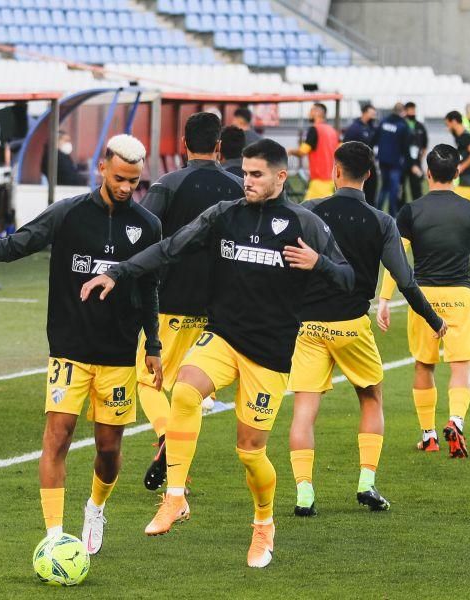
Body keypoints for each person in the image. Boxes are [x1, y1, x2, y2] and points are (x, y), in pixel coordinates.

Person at [80, 138, 354, 568]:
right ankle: (175, 498)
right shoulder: (225, 214)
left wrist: (318, 263)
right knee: (185, 390)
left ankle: (264, 524)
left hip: (270, 353)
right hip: (223, 335)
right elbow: (170, 247)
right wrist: (118, 272)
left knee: (250, 452)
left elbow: (348, 279)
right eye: (244, 172)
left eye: (257, 174)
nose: (247, 181)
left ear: (281, 177)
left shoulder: (306, 223)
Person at [0, 134, 163, 556]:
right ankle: (55, 535)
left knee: (109, 450)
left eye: (134, 180)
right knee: (57, 436)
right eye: (119, 178)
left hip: (117, 354)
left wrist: (153, 344)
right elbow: (13, 245)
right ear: (101, 168)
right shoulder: (68, 214)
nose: (127, 187)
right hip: (68, 349)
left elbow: (148, 288)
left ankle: (95, 507)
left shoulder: (147, 226)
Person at [288, 141, 445, 517]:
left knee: (304, 409)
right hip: (351, 326)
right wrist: (433, 319)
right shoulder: (381, 221)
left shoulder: (309, 211)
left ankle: (304, 492)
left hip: (308, 326)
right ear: (369, 175)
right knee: (371, 398)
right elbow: (405, 280)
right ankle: (366, 482)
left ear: (334, 171)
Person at [136, 112, 244, 491]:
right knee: (194, 389)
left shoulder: (168, 183)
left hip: (171, 298)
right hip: (219, 307)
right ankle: (177, 462)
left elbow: (142, 230)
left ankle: (166, 434)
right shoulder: (239, 185)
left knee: (147, 382)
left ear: (184, 144)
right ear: (218, 147)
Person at [379, 144, 470, 457]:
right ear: (458, 172)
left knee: (424, 365)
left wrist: (383, 299)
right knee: (460, 367)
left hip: (423, 297)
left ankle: (429, 436)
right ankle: (456, 420)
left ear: (428, 172)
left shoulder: (410, 210)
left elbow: (397, 257)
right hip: (460, 296)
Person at [288, 103, 339, 201]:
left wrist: (289, 151)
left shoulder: (315, 129)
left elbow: (302, 152)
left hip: (319, 180)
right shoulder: (332, 130)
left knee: (307, 211)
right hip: (331, 179)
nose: (309, 114)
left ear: (317, 112)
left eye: (311, 111)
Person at [374, 103, 409, 215]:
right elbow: (405, 146)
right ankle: (392, 214)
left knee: (384, 187)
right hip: (395, 162)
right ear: (402, 112)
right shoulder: (403, 125)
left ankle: (378, 211)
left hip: (383, 160)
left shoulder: (383, 122)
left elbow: (375, 138)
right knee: (394, 189)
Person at [343, 104, 378, 203]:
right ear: (365, 113)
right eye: (372, 114)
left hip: (370, 164)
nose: (373, 116)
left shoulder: (371, 127)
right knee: (358, 192)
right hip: (358, 165)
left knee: (372, 191)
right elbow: (346, 146)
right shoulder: (354, 128)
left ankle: (372, 211)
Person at [402, 101, 428, 203]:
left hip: (416, 162)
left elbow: (425, 144)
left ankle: (417, 207)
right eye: (410, 110)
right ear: (406, 111)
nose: (413, 112)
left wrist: (420, 159)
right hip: (404, 162)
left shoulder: (420, 126)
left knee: (417, 187)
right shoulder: (402, 125)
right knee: (401, 188)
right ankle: (401, 210)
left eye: (414, 109)